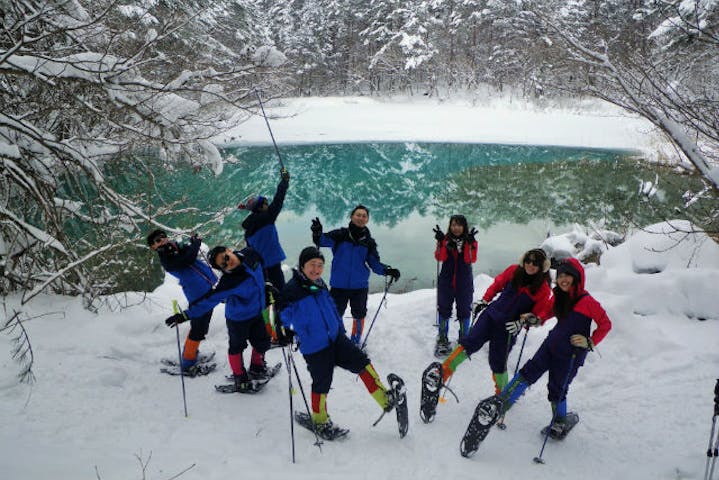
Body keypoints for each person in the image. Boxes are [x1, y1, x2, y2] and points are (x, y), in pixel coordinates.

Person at [276, 246, 399, 438]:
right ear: (302, 266)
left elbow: (332, 308)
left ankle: (385, 398)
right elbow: (281, 315)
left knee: (362, 362)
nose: (316, 269)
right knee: (322, 383)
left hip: (336, 338)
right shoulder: (292, 290)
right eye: (312, 265)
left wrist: (339, 329)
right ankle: (320, 421)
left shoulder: (320, 283)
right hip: (315, 346)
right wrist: (283, 331)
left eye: (319, 265)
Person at [421, 248, 554, 421]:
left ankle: (501, 398)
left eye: (535, 263)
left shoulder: (543, 289)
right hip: (491, 316)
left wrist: (524, 321)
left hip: (508, 328)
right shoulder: (514, 271)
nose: (530, 265)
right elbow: (497, 284)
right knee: (469, 343)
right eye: (528, 260)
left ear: (542, 266)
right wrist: (485, 300)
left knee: (498, 362)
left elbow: (539, 315)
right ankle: (441, 376)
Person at [493, 257, 612, 434]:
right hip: (551, 345)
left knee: (557, 387)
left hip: (570, 354)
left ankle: (560, 421)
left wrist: (590, 341)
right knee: (528, 372)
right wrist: (536, 318)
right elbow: (547, 311)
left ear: (577, 277)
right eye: (560, 275)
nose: (563, 279)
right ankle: (502, 403)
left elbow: (605, 324)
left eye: (568, 276)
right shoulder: (558, 295)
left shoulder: (588, 302)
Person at [165, 244, 271, 390]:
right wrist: (185, 315)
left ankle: (257, 367)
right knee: (237, 347)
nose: (228, 263)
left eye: (226, 257)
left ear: (229, 251)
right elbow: (208, 301)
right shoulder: (229, 282)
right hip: (238, 319)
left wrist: (267, 283)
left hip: (257, 312)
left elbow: (263, 264)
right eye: (223, 264)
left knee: (263, 342)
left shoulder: (251, 256)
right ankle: (240, 378)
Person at [311, 205, 401, 346]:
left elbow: (374, 264)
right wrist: (317, 232)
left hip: (359, 287)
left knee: (359, 315)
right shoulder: (340, 235)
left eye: (364, 216)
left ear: (367, 219)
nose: (361, 218)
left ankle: (355, 342)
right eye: (358, 215)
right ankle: (337, 340)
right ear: (352, 217)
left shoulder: (369, 242)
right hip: (338, 285)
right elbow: (321, 241)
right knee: (334, 315)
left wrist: (388, 270)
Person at [147, 229, 217, 373]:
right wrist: (196, 244)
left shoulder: (174, 249)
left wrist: (191, 243)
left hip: (205, 287)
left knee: (201, 327)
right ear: (153, 247)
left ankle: (190, 354)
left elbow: (188, 252)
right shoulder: (166, 259)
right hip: (197, 293)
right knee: (198, 329)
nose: (163, 241)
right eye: (158, 241)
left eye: (163, 237)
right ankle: (187, 361)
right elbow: (188, 259)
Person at [433, 215, 478, 356]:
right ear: (450, 226)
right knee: (444, 309)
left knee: (464, 310)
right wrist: (441, 243)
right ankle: (442, 339)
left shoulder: (471, 241)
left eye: (459, 225)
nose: (456, 228)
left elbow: (470, 259)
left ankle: (464, 339)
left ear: (464, 227)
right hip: (446, 281)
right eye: (453, 225)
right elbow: (440, 257)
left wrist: (469, 245)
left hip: (463, 282)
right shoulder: (445, 239)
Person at [239, 168, 290, 290]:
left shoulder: (248, 229)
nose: (268, 206)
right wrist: (285, 181)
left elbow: (250, 250)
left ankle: (266, 308)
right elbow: (279, 198)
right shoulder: (267, 217)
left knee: (265, 294)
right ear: (261, 207)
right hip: (273, 263)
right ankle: (281, 308)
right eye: (266, 204)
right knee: (280, 293)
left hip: (260, 267)